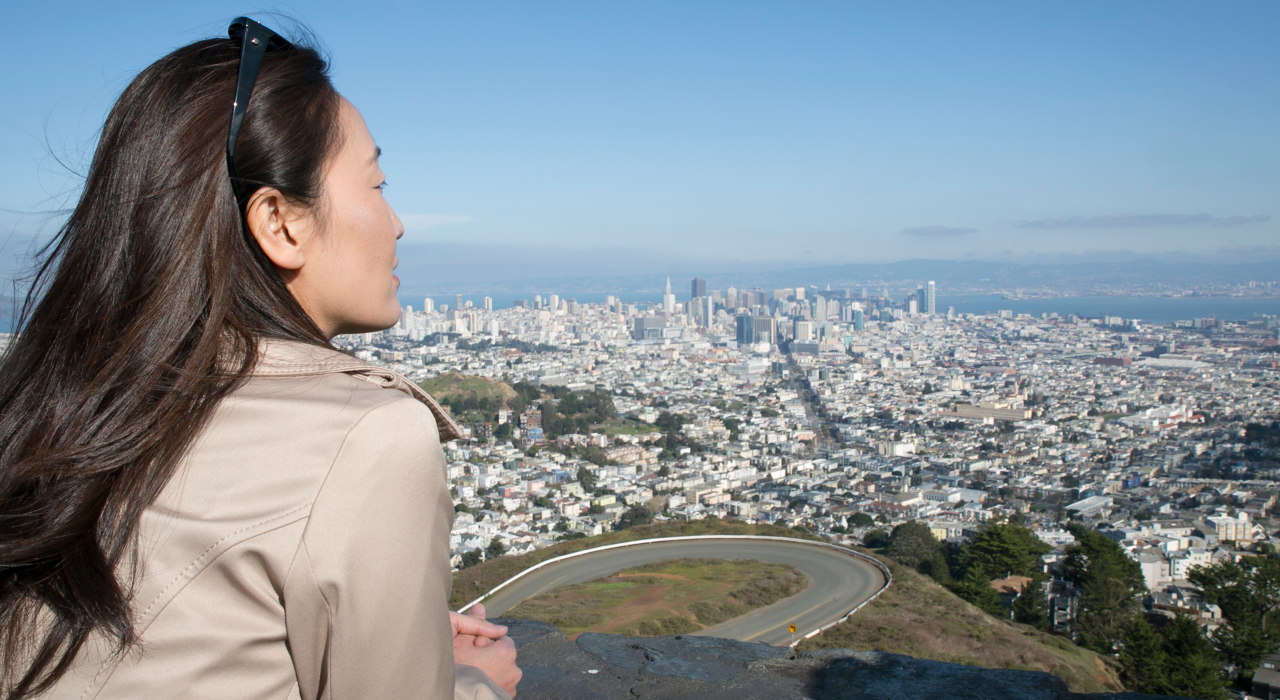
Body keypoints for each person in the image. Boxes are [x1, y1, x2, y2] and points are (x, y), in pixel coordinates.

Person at [0, 17, 520, 700]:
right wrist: (471, 683)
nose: (397, 224)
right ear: (280, 223)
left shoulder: (59, 396)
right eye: (378, 185)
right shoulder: (366, 437)